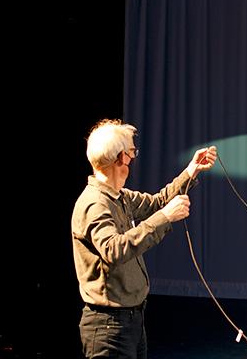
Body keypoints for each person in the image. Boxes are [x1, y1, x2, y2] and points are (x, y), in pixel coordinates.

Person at [71, 118, 217, 359]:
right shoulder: (94, 204)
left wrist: (192, 170)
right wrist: (165, 217)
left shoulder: (120, 197)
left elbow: (158, 202)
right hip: (109, 328)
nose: (132, 158)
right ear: (120, 158)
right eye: (130, 152)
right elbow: (114, 250)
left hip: (131, 321)